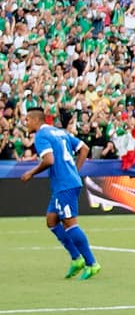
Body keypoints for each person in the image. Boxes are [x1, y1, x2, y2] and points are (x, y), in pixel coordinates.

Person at [19, 107, 101, 280]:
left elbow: (49, 160)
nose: (25, 123)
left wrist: (31, 173)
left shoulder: (41, 136)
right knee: (51, 220)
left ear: (35, 120)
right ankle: (76, 259)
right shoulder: (58, 132)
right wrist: (74, 171)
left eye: (27, 120)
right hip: (64, 183)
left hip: (65, 185)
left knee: (70, 225)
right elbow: (84, 148)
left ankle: (91, 263)